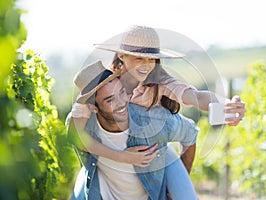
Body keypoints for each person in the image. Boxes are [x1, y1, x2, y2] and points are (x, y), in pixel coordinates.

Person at [72, 25, 246, 171]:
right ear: (121, 56)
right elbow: (75, 133)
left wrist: (225, 104)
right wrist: (122, 157)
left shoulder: (160, 82)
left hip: (154, 153)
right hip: (110, 155)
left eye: (152, 59)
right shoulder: (103, 85)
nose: (146, 65)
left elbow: (196, 97)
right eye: (139, 58)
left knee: (183, 195)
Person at [68, 61, 199, 199]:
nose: (121, 103)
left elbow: (190, 133)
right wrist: (123, 157)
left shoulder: (153, 121)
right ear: (92, 108)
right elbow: (73, 135)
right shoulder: (84, 126)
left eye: (122, 92)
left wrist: (173, 190)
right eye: (110, 100)